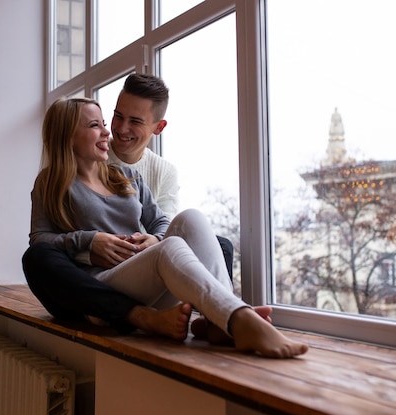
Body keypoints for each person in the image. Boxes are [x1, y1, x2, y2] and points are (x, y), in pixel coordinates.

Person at [25, 97, 308, 358]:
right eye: (94, 125)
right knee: (171, 247)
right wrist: (90, 242)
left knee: (190, 218)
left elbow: (161, 221)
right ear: (67, 136)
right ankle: (239, 319)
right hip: (105, 291)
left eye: (102, 123)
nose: (106, 132)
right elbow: (39, 241)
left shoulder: (125, 176)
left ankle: (219, 321)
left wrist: (155, 237)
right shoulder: (51, 184)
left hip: (151, 282)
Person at [106, 73, 235, 279]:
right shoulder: (91, 157)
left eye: (135, 121)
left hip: (145, 252)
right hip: (107, 254)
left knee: (222, 246)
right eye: (118, 115)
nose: (122, 128)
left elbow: (164, 223)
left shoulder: (165, 171)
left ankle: (223, 310)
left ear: (159, 127)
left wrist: (155, 240)